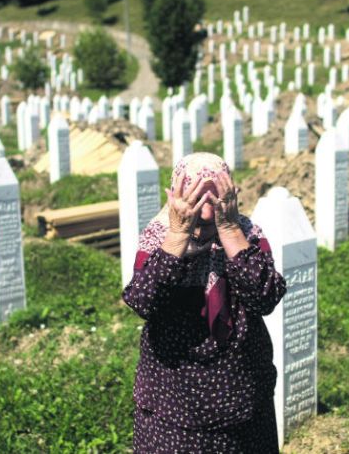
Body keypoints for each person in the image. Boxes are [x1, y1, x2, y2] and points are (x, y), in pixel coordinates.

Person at [122, 152, 287, 453]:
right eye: (196, 194)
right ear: (176, 194)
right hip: (174, 401)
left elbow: (265, 297)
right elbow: (143, 302)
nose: (206, 208)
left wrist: (230, 231)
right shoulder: (158, 236)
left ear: (231, 193)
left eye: (216, 195)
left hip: (243, 394)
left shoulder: (247, 234)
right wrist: (179, 236)